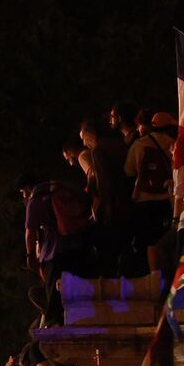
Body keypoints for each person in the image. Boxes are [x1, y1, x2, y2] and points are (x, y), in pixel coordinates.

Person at [18, 174, 88, 327]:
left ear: (28, 189)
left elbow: (30, 231)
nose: (24, 197)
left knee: (54, 292)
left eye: (23, 193)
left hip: (54, 252)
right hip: (78, 246)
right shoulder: (60, 189)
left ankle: (55, 325)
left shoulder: (35, 200)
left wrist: (30, 255)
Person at [124, 112, 178, 275]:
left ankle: (154, 277)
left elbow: (128, 170)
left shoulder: (139, 144)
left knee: (148, 240)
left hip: (144, 199)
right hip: (166, 198)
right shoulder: (173, 144)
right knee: (164, 239)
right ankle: (168, 274)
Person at [77, 118, 132, 275]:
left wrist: (103, 206)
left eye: (84, 138)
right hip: (128, 196)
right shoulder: (117, 143)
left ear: (90, 134)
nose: (84, 144)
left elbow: (104, 182)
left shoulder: (98, 150)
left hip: (115, 203)